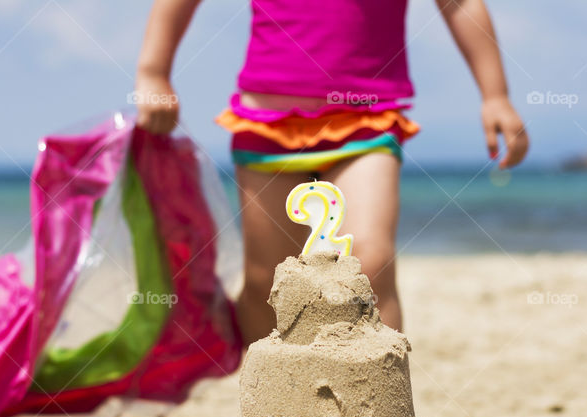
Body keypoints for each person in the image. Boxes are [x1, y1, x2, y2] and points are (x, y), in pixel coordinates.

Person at [135, 0, 529, 344]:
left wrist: (496, 96)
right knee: (267, 281)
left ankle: (382, 407)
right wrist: (154, 72)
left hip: (367, 122)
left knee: (369, 262)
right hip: (266, 124)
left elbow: (459, 3)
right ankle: (267, 403)